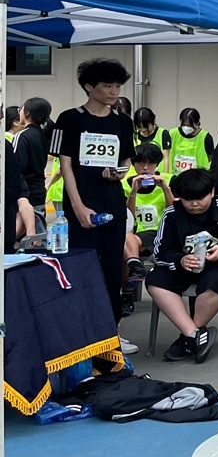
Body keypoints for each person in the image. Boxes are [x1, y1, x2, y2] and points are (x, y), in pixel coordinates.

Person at [146, 167, 218, 363]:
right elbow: (160, 252)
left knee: (215, 283)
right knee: (155, 280)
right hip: (184, 268)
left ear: (212, 192)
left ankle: (186, 339)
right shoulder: (172, 214)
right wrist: (180, 259)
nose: (194, 204)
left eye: (200, 198)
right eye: (187, 199)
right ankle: (193, 334)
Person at [50, 57, 135, 324]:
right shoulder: (68, 119)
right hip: (81, 205)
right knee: (82, 267)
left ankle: (112, 329)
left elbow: (126, 160)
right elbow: (65, 165)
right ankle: (82, 328)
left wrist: (119, 172)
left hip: (113, 204)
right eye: (108, 85)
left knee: (112, 268)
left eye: (118, 86)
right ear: (89, 86)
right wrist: (78, 207)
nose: (114, 91)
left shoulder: (123, 122)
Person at [122, 143, 171, 294]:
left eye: (150, 163)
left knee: (125, 243)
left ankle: (127, 291)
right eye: (141, 162)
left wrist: (165, 189)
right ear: (133, 164)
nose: (145, 168)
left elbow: (174, 212)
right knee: (123, 242)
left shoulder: (169, 180)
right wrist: (133, 192)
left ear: (157, 164)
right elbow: (128, 216)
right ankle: (128, 290)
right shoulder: (124, 184)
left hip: (159, 232)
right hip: (133, 232)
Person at [14, 97, 51, 227]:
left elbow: (16, 167)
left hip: (25, 194)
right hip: (39, 190)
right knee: (38, 232)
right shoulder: (43, 135)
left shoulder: (22, 136)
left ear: (27, 113)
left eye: (21, 109)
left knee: (22, 235)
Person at [163, 107, 213, 175]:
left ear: (197, 123)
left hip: (197, 178)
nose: (186, 127)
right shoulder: (172, 134)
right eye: (184, 125)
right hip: (175, 177)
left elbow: (211, 158)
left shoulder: (205, 137)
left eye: (189, 125)